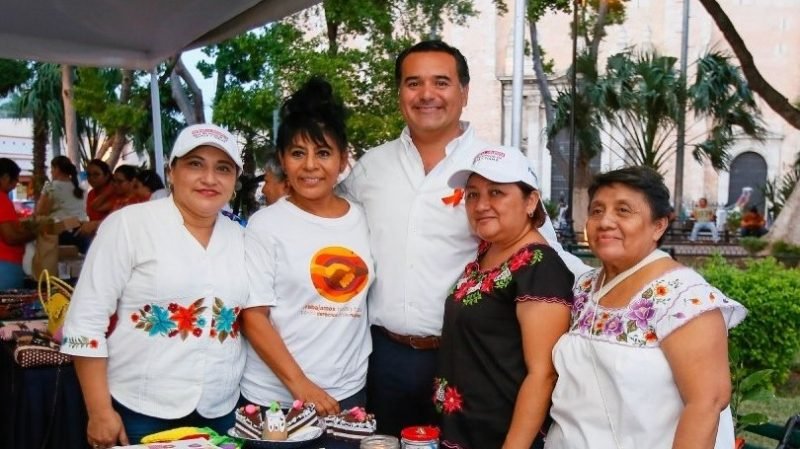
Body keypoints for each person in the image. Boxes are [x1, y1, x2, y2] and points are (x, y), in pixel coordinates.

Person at [341, 39, 589, 436]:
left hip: (467, 359)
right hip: (381, 355)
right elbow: (331, 230)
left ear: (465, 92)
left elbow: (545, 256)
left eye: (441, 82)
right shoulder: (371, 167)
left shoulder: (496, 167)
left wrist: (628, 284)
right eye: (413, 83)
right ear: (399, 92)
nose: (426, 95)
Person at [61, 124, 249, 448]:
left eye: (223, 168)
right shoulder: (129, 225)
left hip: (220, 409)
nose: (209, 178)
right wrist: (99, 410)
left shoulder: (243, 238)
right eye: (195, 164)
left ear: (234, 180)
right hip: (140, 408)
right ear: (171, 171)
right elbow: (85, 320)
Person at [544, 166, 747, 449]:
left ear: (659, 225)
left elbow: (707, 402)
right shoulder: (584, 287)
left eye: (623, 211)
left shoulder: (684, 296)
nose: (605, 222)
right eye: (597, 211)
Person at [241, 78, 373, 449]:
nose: (310, 166)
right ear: (282, 160)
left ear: (344, 159)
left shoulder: (363, 219)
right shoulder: (265, 225)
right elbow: (253, 316)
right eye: (298, 154)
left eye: (323, 153)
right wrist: (302, 386)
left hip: (346, 394)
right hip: (274, 400)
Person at [436, 148, 574, 449]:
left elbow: (543, 374)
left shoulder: (540, 267)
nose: (481, 204)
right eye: (472, 195)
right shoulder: (489, 251)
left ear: (531, 201)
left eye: (496, 192)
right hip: (464, 429)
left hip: (503, 437)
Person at [36, 156, 89, 252]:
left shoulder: (51, 187)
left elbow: (41, 211)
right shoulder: (81, 189)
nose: (51, 172)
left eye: (52, 168)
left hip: (62, 231)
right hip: (82, 230)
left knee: (61, 265)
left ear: (57, 169)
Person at [0, 158, 35, 289]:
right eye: (15, 180)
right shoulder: (2, 199)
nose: (16, 184)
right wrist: (34, 233)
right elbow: (11, 237)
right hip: (5, 266)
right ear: (5, 177)